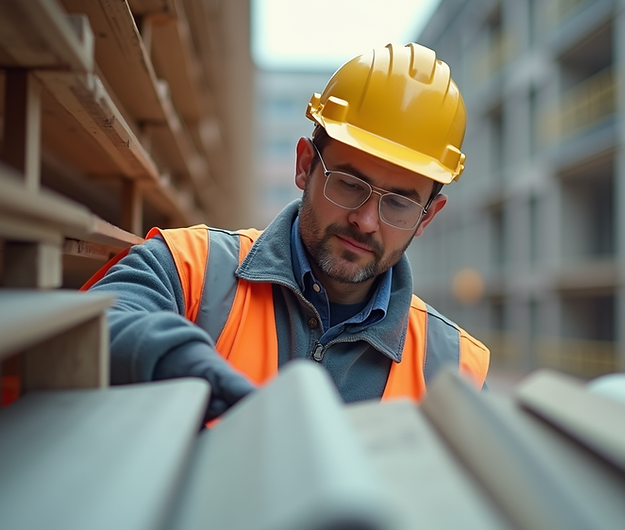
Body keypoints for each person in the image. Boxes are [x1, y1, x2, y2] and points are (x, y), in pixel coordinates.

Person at [84, 43, 489, 422]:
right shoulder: (190, 269)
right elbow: (91, 327)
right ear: (304, 165)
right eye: (348, 183)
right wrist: (183, 362)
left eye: (398, 204)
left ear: (426, 217)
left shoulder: (455, 368)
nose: (365, 221)